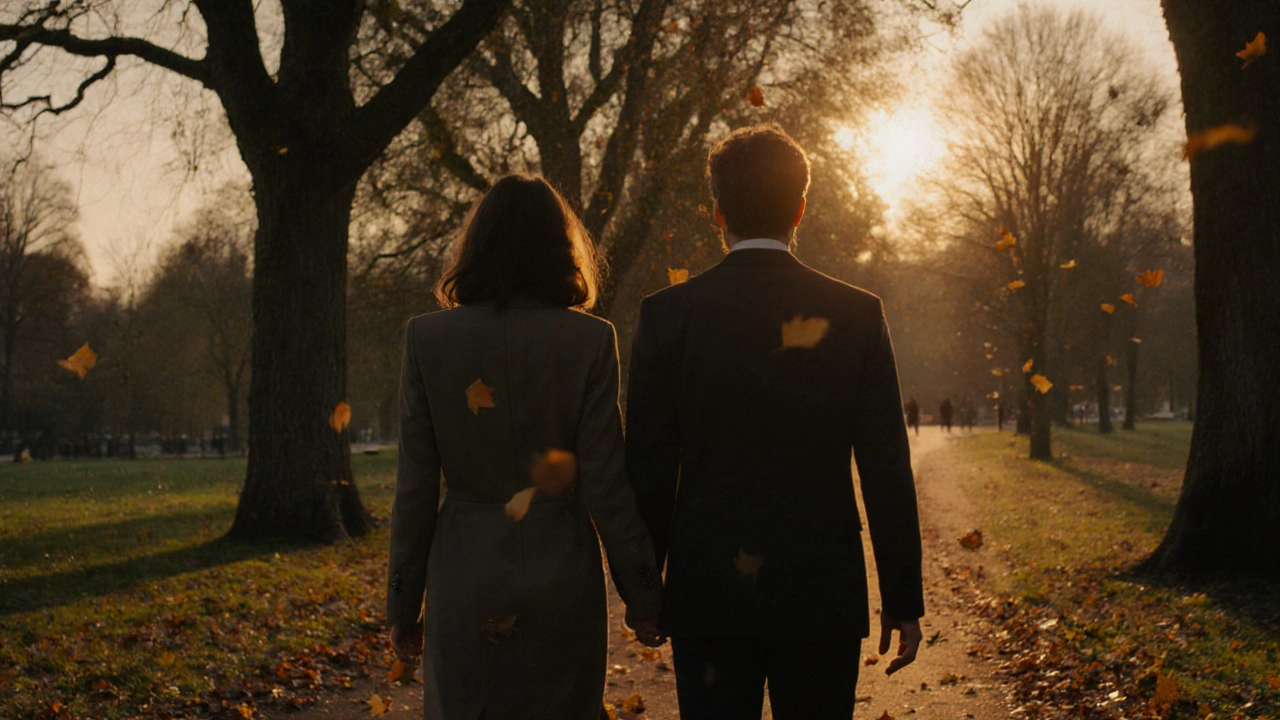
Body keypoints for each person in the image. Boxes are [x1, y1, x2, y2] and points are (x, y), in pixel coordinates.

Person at [626, 124, 924, 720]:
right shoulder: (858, 315)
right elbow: (886, 463)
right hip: (819, 588)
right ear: (801, 208)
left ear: (717, 212)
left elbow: (650, 465)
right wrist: (900, 595)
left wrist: (644, 589)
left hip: (708, 587)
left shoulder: (668, 316)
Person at [386, 175, 664, 720]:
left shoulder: (427, 340)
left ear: (477, 245)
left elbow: (415, 487)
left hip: (463, 571)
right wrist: (643, 595)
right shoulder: (588, 340)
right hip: (559, 567)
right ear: (560, 248)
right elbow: (607, 483)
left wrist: (402, 603)